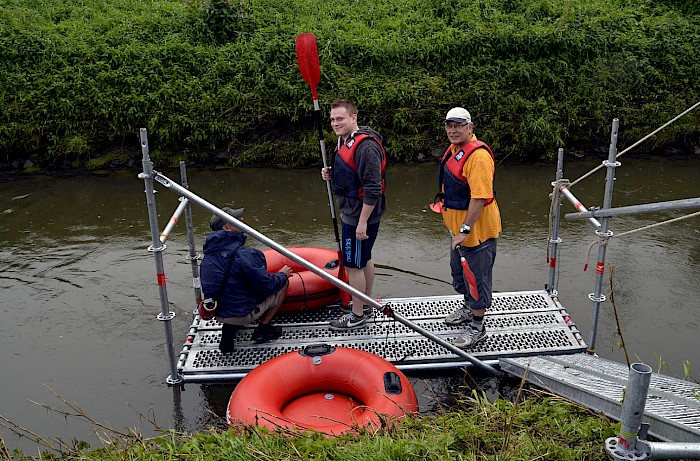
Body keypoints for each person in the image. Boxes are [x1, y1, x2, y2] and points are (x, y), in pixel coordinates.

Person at [435, 107, 501, 348]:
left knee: (477, 279)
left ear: (470, 127)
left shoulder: (478, 157)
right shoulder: (454, 151)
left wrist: (464, 230)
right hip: (458, 233)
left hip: (476, 233)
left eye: (459, 125)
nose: (453, 129)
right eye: (449, 125)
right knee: (460, 276)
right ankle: (467, 308)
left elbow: (479, 198)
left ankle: (477, 326)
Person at [321, 99, 387, 330]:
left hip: (360, 216)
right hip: (353, 212)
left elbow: (373, 188)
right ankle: (366, 301)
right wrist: (332, 173)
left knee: (353, 265)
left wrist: (362, 223)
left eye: (340, 118)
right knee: (364, 258)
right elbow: (350, 172)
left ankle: (357, 314)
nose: (335, 123)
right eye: (332, 119)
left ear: (353, 118)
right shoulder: (344, 141)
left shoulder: (366, 147)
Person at [200, 207, 292, 352]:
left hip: (218, 311)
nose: (242, 220)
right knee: (282, 282)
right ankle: (264, 328)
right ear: (227, 227)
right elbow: (266, 285)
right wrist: (282, 275)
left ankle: (228, 335)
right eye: (237, 220)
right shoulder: (245, 255)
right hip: (240, 313)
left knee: (233, 289)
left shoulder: (209, 253)